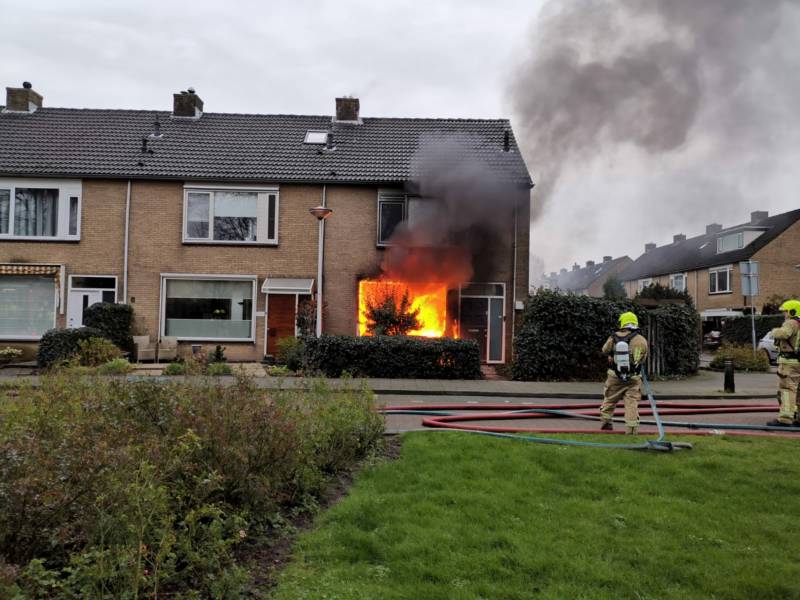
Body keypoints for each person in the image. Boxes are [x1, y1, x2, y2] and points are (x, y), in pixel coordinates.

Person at [600, 311, 649, 434]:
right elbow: (643, 359)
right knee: (631, 402)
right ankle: (632, 429)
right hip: (634, 378)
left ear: (622, 323)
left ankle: (606, 423)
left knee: (610, 399)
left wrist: (612, 355)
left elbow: (604, 350)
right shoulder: (641, 340)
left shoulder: (613, 337)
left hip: (614, 376)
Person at [767, 299, 800, 427]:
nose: (784, 314)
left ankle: (785, 419)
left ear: (792, 311)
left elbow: (784, 334)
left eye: (785, 311)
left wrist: (774, 332)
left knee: (787, 389)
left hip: (789, 363)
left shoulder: (791, 322)